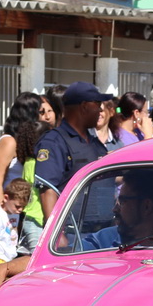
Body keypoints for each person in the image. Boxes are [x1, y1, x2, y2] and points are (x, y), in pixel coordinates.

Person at [33, 82, 114, 222]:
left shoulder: (94, 143)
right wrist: (56, 230)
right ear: (84, 106)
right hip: (73, 230)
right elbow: (47, 190)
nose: (100, 110)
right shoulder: (54, 142)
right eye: (97, 104)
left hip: (102, 229)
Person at [0, 92, 44, 203]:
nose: (45, 116)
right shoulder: (9, 142)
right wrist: (4, 210)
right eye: (41, 112)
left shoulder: (25, 140)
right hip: (9, 206)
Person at [14, 119, 51, 254]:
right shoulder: (37, 164)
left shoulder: (28, 163)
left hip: (32, 219)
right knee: (38, 257)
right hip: (37, 220)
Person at [0, 178, 29, 265]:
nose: (20, 210)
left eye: (23, 206)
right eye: (18, 206)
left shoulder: (14, 211)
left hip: (8, 259)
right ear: (5, 198)